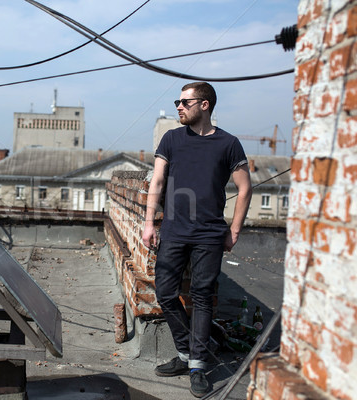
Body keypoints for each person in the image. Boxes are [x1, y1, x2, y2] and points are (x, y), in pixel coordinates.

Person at [142, 82, 252, 398]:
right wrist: (149, 223)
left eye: (185, 101)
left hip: (209, 235)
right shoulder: (172, 139)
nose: (178, 106)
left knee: (202, 297)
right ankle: (186, 353)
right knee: (164, 292)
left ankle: (198, 365)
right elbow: (158, 182)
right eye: (177, 100)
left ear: (204, 105)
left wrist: (233, 231)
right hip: (174, 231)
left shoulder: (228, 144)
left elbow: (245, 188)